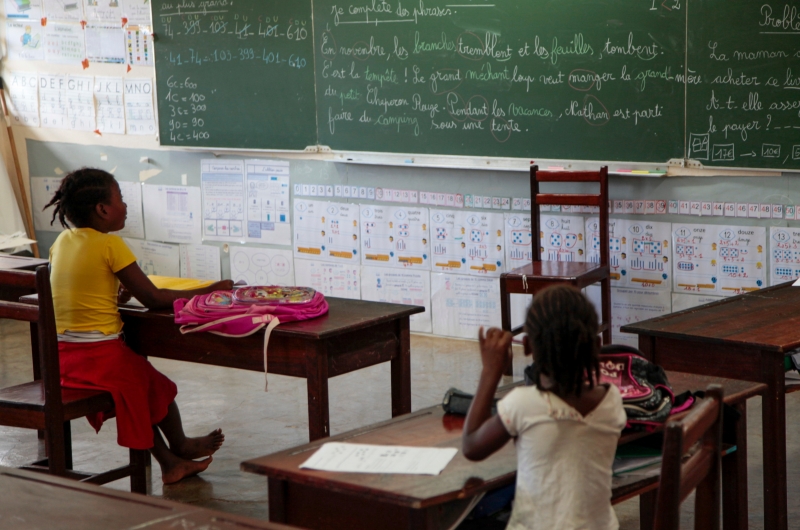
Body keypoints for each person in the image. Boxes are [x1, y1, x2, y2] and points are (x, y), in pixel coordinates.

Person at [44, 168, 233, 484]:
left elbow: (80, 292)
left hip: (64, 357)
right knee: (154, 389)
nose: (126, 205)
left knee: (144, 387)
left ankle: (175, 454)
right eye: (121, 198)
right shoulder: (110, 245)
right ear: (103, 210)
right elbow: (154, 298)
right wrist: (212, 289)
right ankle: (175, 454)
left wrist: (113, 295)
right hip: (98, 357)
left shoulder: (61, 241)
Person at [462, 285, 626, 529]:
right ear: (597, 345)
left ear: (528, 347)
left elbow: (472, 446)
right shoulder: (612, 401)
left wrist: (490, 372)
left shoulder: (523, 404)